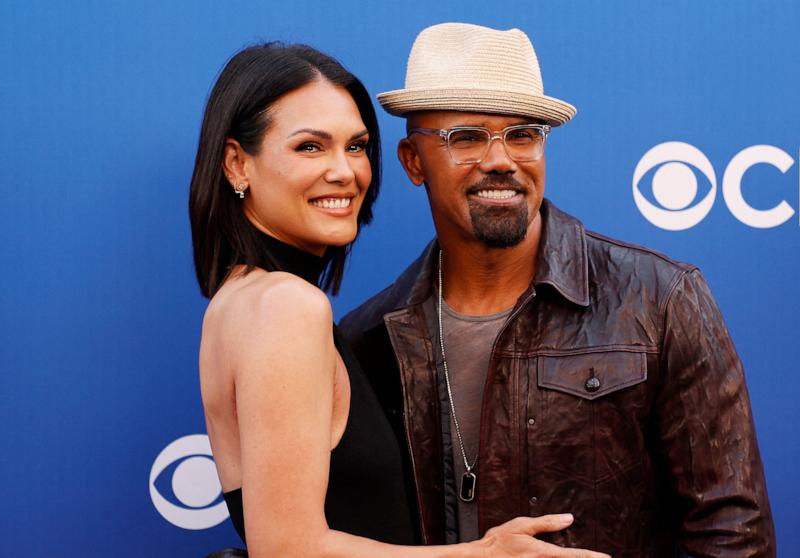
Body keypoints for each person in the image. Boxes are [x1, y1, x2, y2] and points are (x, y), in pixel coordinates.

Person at [340, 23, 777, 558]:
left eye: (524, 134)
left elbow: (733, 534)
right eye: (467, 137)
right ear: (413, 161)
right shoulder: (370, 337)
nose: (501, 159)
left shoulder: (659, 299)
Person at [189, 42, 610, 558]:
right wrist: (485, 554)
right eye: (310, 147)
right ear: (237, 164)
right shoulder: (284, 306)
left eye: (357, 146)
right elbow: (287, 548)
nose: (345, 171)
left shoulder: (239, 301)